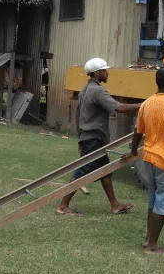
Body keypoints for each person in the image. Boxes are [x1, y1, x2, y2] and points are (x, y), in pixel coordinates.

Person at [56, 58, 140, 217]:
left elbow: (78, 115)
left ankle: (115, 205)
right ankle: (63, 205)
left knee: (105, 172)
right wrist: (144, 105)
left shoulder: (84, 90)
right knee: (81, 173)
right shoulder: (97, 91)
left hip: (90, 138)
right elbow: (119, 107)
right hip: (94, 138)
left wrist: (80, 138)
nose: (107, 72)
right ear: (97, 73)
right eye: (105, 70)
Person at [124, 67, 164, 255]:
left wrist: (134, 151)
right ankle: (152, 246)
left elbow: (138, 131)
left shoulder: (147, 104)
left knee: (154, 203)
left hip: (150, 160)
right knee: (162, 205)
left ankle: (148, 241)